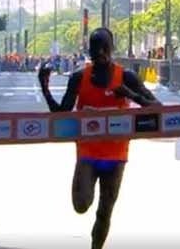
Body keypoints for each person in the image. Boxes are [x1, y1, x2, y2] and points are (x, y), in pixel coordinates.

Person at [38, 28, 160, 249]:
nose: (101, 52)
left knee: (105, 211)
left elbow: (158, 108)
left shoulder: (126, 77)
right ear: (89, 50)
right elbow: (61, 115)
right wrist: (45, 89)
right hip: (88, 153)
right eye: (96, 48)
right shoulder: (79, 77)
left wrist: (130, 95)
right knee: (81, 204)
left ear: (112, 48)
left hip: (116, 154)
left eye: (105, 47)